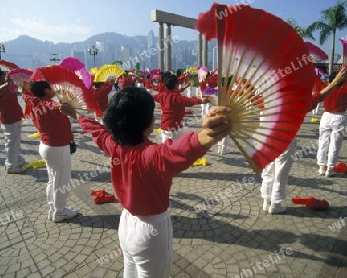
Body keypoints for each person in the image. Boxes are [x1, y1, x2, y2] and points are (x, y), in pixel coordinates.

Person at [59, 87, 231, 278]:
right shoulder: (152, 155)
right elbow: (177, 151)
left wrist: (74, 113)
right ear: (149, 122)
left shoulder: (114, 146)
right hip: (151, 233)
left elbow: (97, 130)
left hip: (126, 225)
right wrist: (207, 135)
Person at [261, 69, 347, 214]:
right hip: (285, 138)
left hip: (266, 137)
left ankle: (266, 201)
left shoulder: (268, 94)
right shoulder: (294, 98)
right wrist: (335, 82)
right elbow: (319, 97)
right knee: (280, 173)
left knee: (268, 170)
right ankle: (275, 205)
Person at [20, 73, 78, 222]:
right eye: (52, 87)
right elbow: (63, 107)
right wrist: (66, 99)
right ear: (46, 91)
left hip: (46, 146)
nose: (54, 88)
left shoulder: (33, 101)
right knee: (62, 181)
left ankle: (53, 208)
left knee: (53, 179)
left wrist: (25, 88)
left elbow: (24, 94)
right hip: (57, 148)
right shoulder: (51, 105)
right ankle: (60, 212)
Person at [316, 68, 347, 177]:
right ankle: (330, 168)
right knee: (335, 144)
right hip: (339, 117)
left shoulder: (324, 87)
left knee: (322, 141)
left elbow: (315, 79)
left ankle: (321, 167)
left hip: (326, 116)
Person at [0, 67, 25, 174]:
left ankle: (13, 162)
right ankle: (11, 165)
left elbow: (18, 88)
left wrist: (20, 84)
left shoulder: (7, 85)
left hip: (15, 115)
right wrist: (8, 84)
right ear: (0, 76)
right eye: (4, 74)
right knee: (11, 142)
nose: (6, 75)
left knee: (15, 142)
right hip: (9, 117)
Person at [154, 74, 209, 142]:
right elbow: (188, 101)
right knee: (175, 148)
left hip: (164, 126)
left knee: (166, 148)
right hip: (175, 126)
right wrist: (201, 101)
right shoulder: (177, 97)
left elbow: (153, 97)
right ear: (176, 85)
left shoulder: (162, 95)